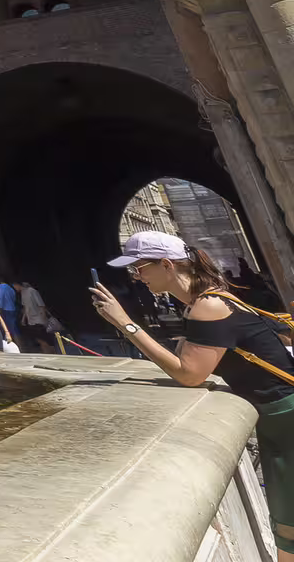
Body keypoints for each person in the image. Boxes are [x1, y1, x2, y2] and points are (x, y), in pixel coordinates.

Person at [92, 230, 294, 560]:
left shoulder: (207, 307)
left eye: (140, 268)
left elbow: (190, 374)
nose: (136, 277)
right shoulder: (209, 301)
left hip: (285, 417)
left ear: (167, 265)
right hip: (277, 415)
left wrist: (126, 324)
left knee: (289, 528)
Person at [0, 278, 21, 342]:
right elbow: (14, 299)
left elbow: (0, 299)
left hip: (5, 310)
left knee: (6, 328)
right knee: (14, 329)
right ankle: (20, 346)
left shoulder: (1, 286)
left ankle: (13, 344)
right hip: (12, 309)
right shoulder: (11, 289)